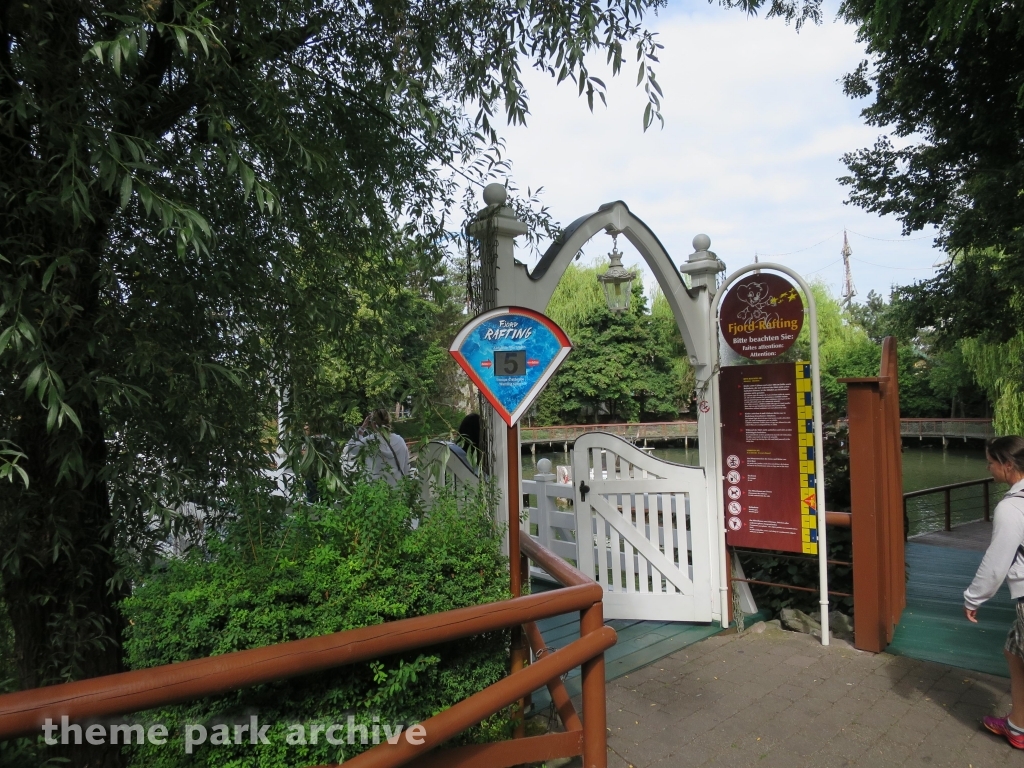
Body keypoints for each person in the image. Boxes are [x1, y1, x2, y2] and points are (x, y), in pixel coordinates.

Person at [964, 435, 1024, 749]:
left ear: (1008, 465)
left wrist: (974, 598)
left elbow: (997, 561)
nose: (988, 468)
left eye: (991, 462)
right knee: (1014, 652)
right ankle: (1018, 724)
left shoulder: (1012, 508)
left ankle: (1019, 730)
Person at [343, 408, 410, 486]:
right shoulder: (400, 440)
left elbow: (350, 448)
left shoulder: (370, 441)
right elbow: (406, 468)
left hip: (376, 492)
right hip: (397, 490)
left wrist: (362, 427)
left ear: (373, 423)